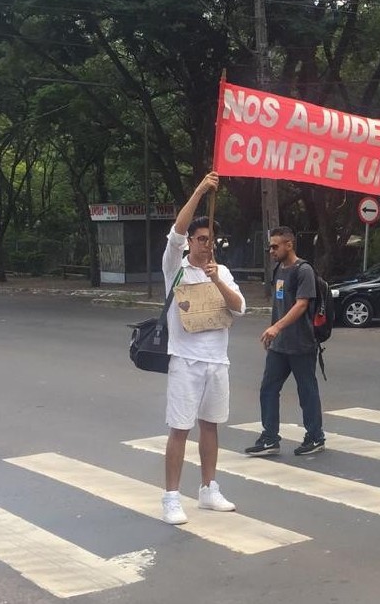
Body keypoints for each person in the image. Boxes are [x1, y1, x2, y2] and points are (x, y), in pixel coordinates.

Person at [160, 171, 246, 524]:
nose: (205, 244)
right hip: (185, 361)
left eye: (210, 239)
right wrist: (200, 190)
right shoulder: (175, 268)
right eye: (200, 239)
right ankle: (171, 497)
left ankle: (209, 488)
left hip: (216, 361)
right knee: (180, 428)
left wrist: (214, 279)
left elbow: (238, 307)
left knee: (210, 426)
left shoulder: (220, 271)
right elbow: (176, 232)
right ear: (190, 242)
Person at [245, 226, 326, 457]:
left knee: (306, 392)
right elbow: (278, 306)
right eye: (270, 246)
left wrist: (276, 327)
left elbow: (301, 305)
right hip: (280, 346)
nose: (271, 250)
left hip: (301, 344)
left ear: (289, 245)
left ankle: (315, 436)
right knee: (268, 389)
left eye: (275, 246)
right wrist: (274, 332)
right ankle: (270, 438)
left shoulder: (304, 270)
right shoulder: (279, 268)